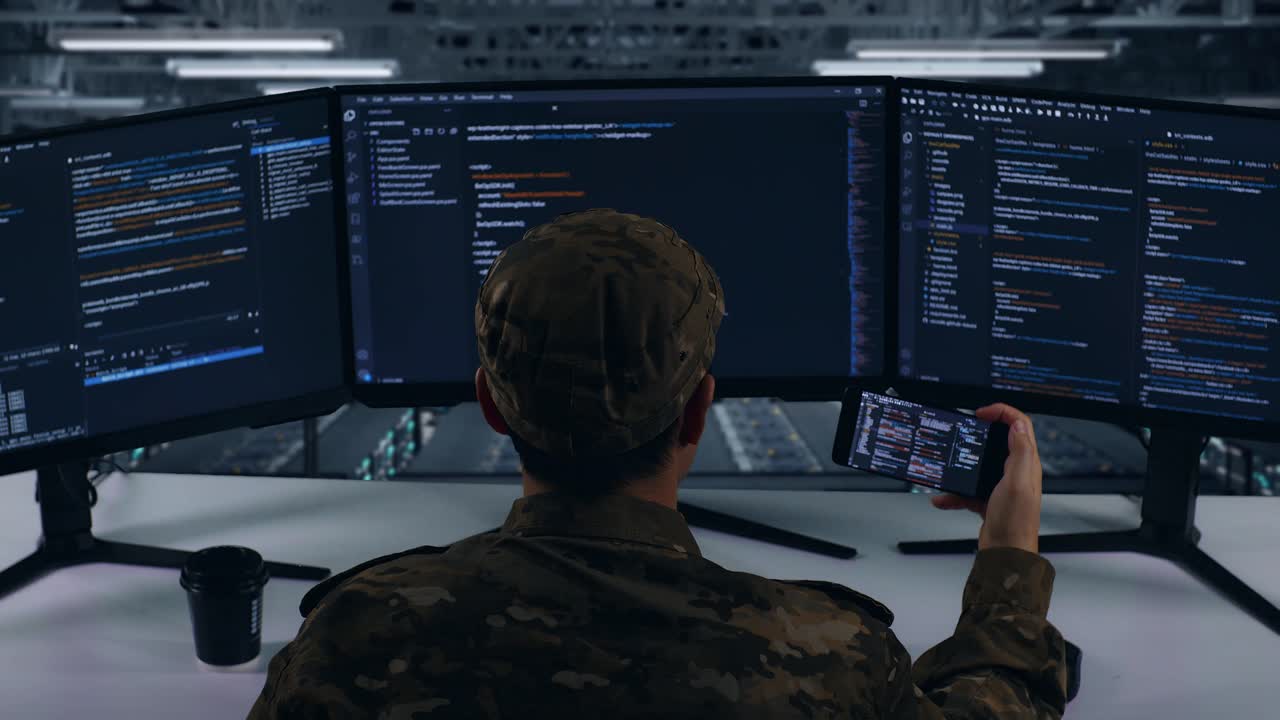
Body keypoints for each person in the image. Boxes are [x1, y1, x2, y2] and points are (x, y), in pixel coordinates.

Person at [248, 209, 1067, 719]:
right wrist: (1007, 559)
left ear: (492, 406)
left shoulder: (353, 637)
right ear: (698, 410)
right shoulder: (830, 657)